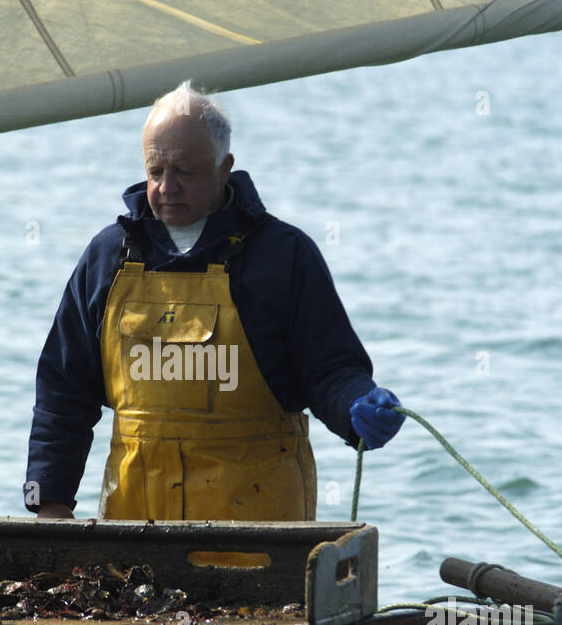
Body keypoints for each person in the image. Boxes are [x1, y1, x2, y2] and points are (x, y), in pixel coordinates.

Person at [25, 80, 403, 521]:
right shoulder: (108, 256)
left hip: (258, 525)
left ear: (225, 168)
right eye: (155, 171)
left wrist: (357, 406)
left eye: (184, 171)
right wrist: (50, 503)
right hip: (133, 525)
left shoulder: (283, 255)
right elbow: (62, 391)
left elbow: (330, 370)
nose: (167, 187)